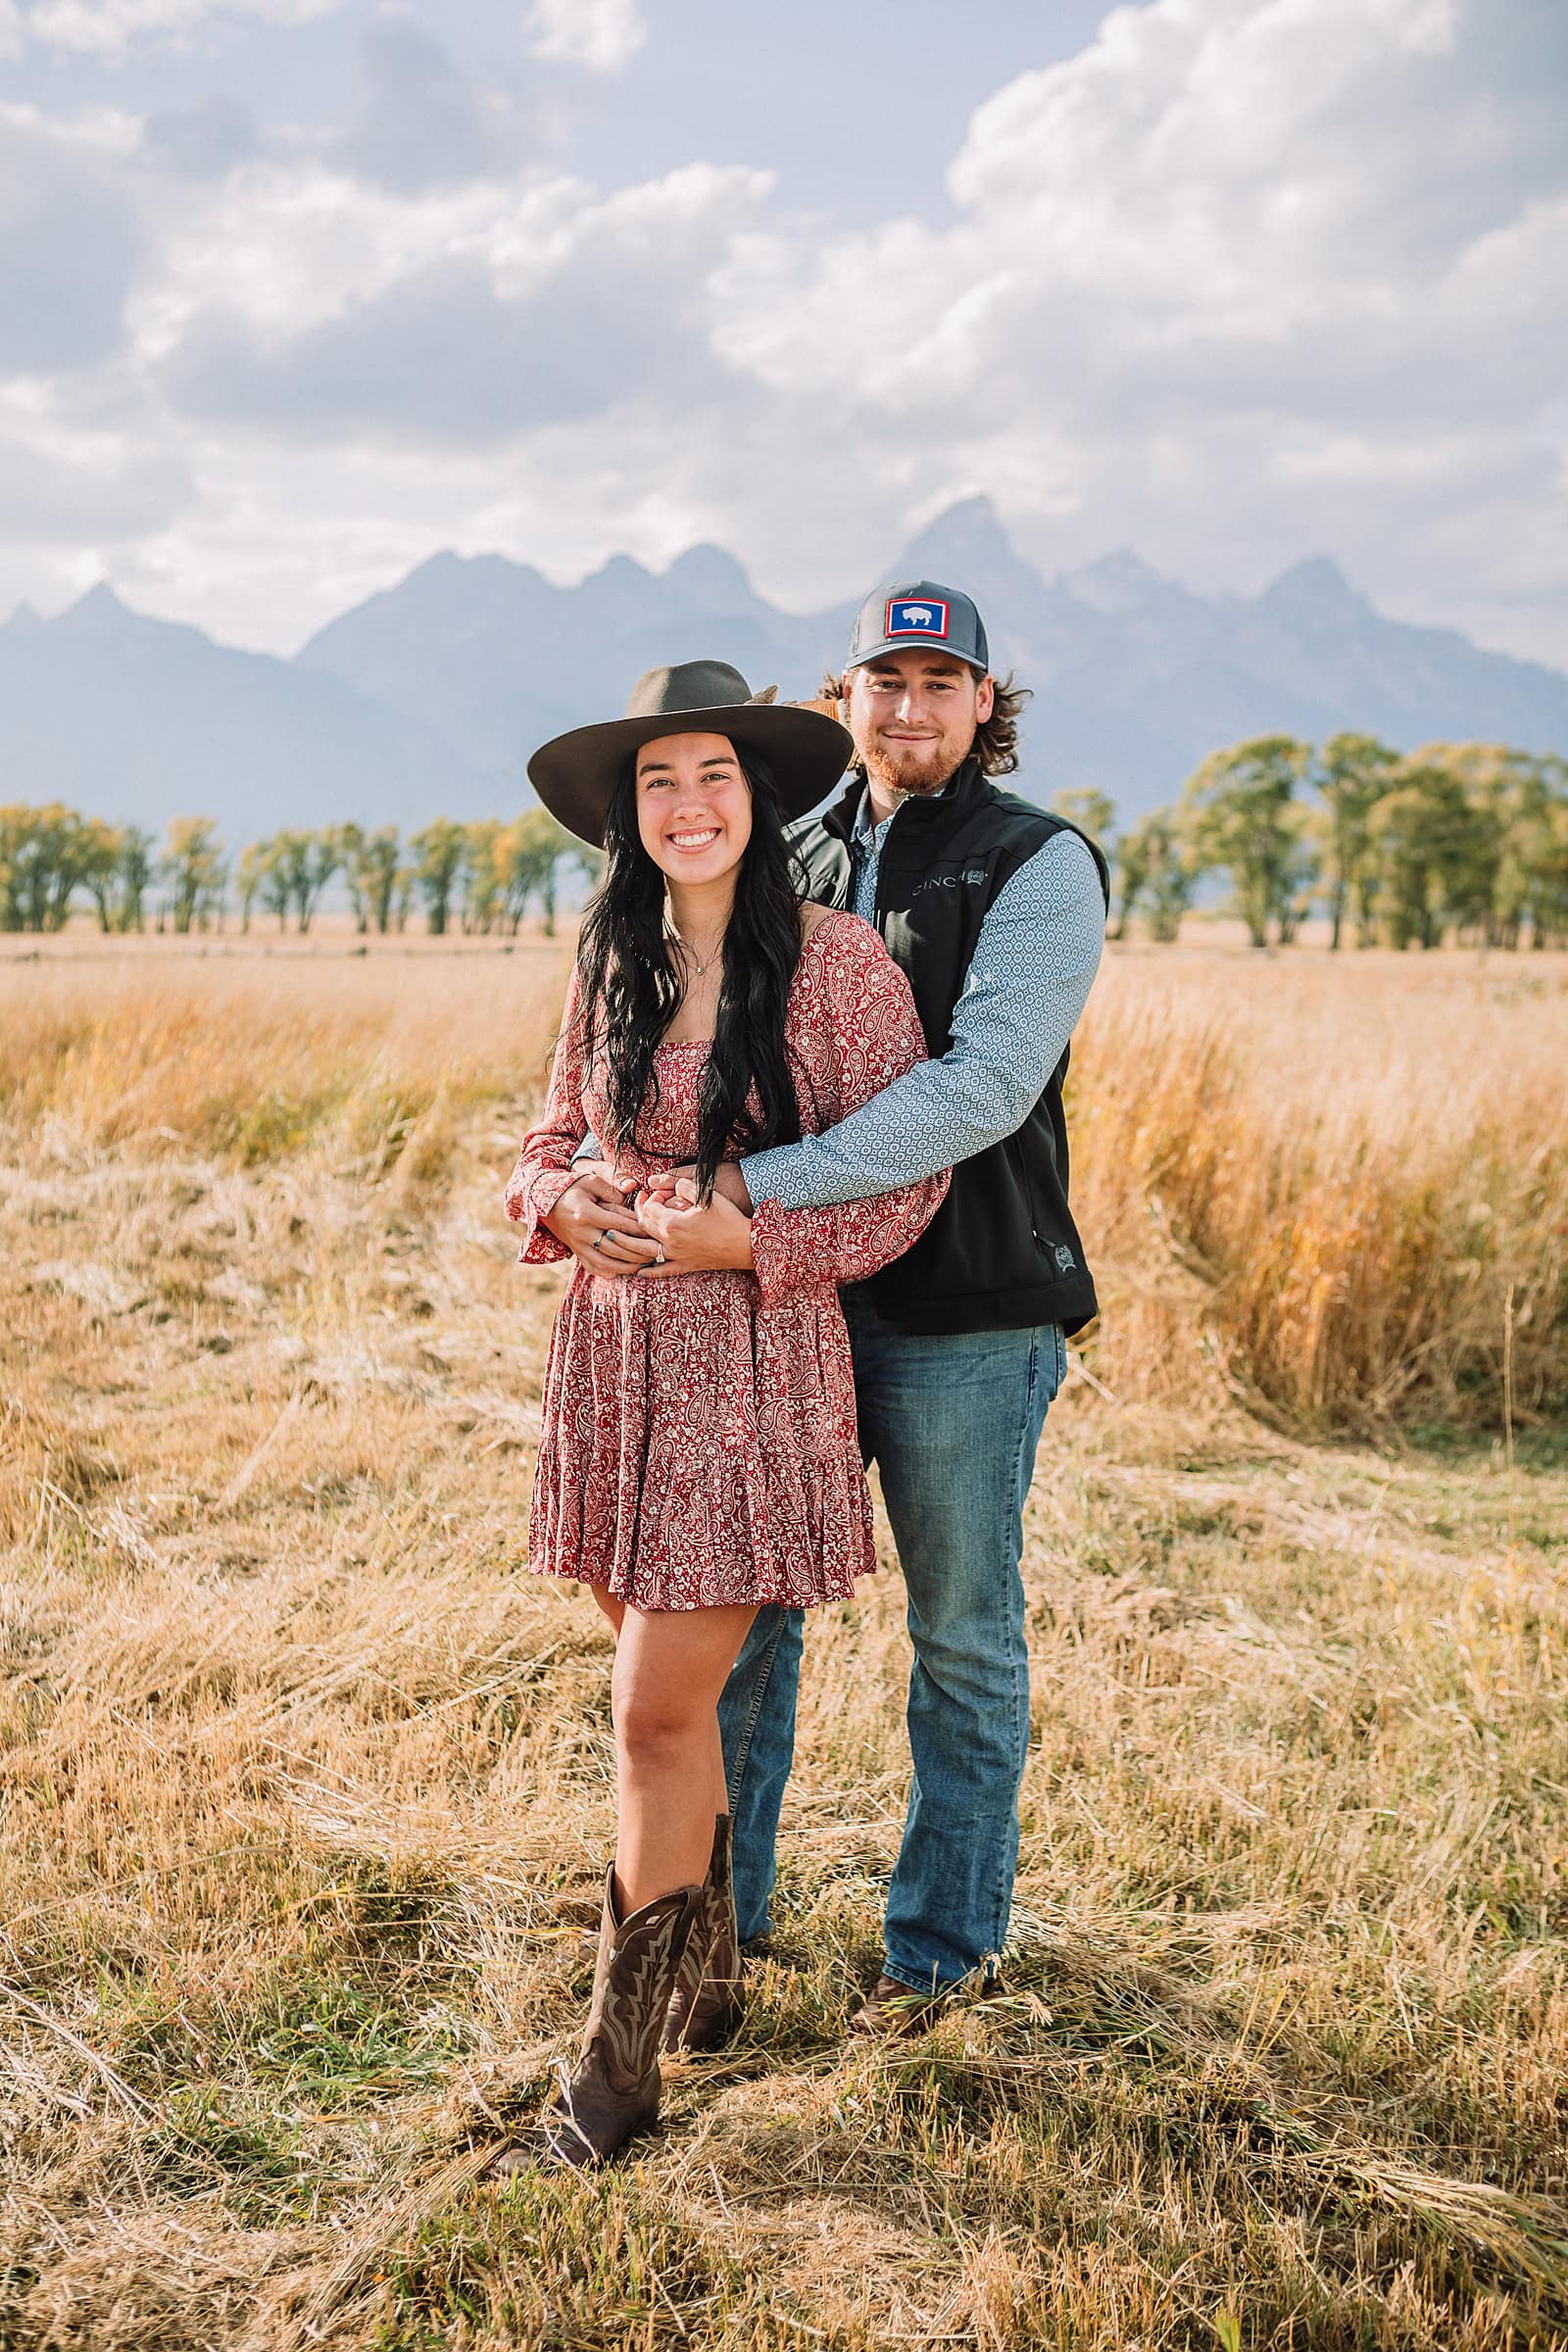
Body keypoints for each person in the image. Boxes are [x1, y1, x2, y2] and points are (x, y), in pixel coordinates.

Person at [627, 581, 1109, 2034]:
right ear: (842, 701)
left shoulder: (1038, 863)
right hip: (792, 1310)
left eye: (938, 683)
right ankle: (728, 1926)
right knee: (752, 1617)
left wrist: (753, 1189)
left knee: (961, 1636)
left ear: (983, 705)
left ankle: (940, 1959)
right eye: (880, 681)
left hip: (969, 1305)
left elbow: (980, 1088)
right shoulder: (800, 854)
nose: (908, 709)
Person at [495, 660, 949, 2168]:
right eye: (658, 782)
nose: (688, 805)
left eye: (714, 776)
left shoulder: (832, 969)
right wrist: (565, 1197)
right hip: (615, 1363)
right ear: (630, 814)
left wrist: (738, 1234)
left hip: (753, 1374)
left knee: (652, 1708)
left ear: (759, 796)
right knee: (658, 1697)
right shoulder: (610, 960)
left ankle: (614, 2083)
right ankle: (716, 1975)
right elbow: (549, 1132)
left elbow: (905, 1181)